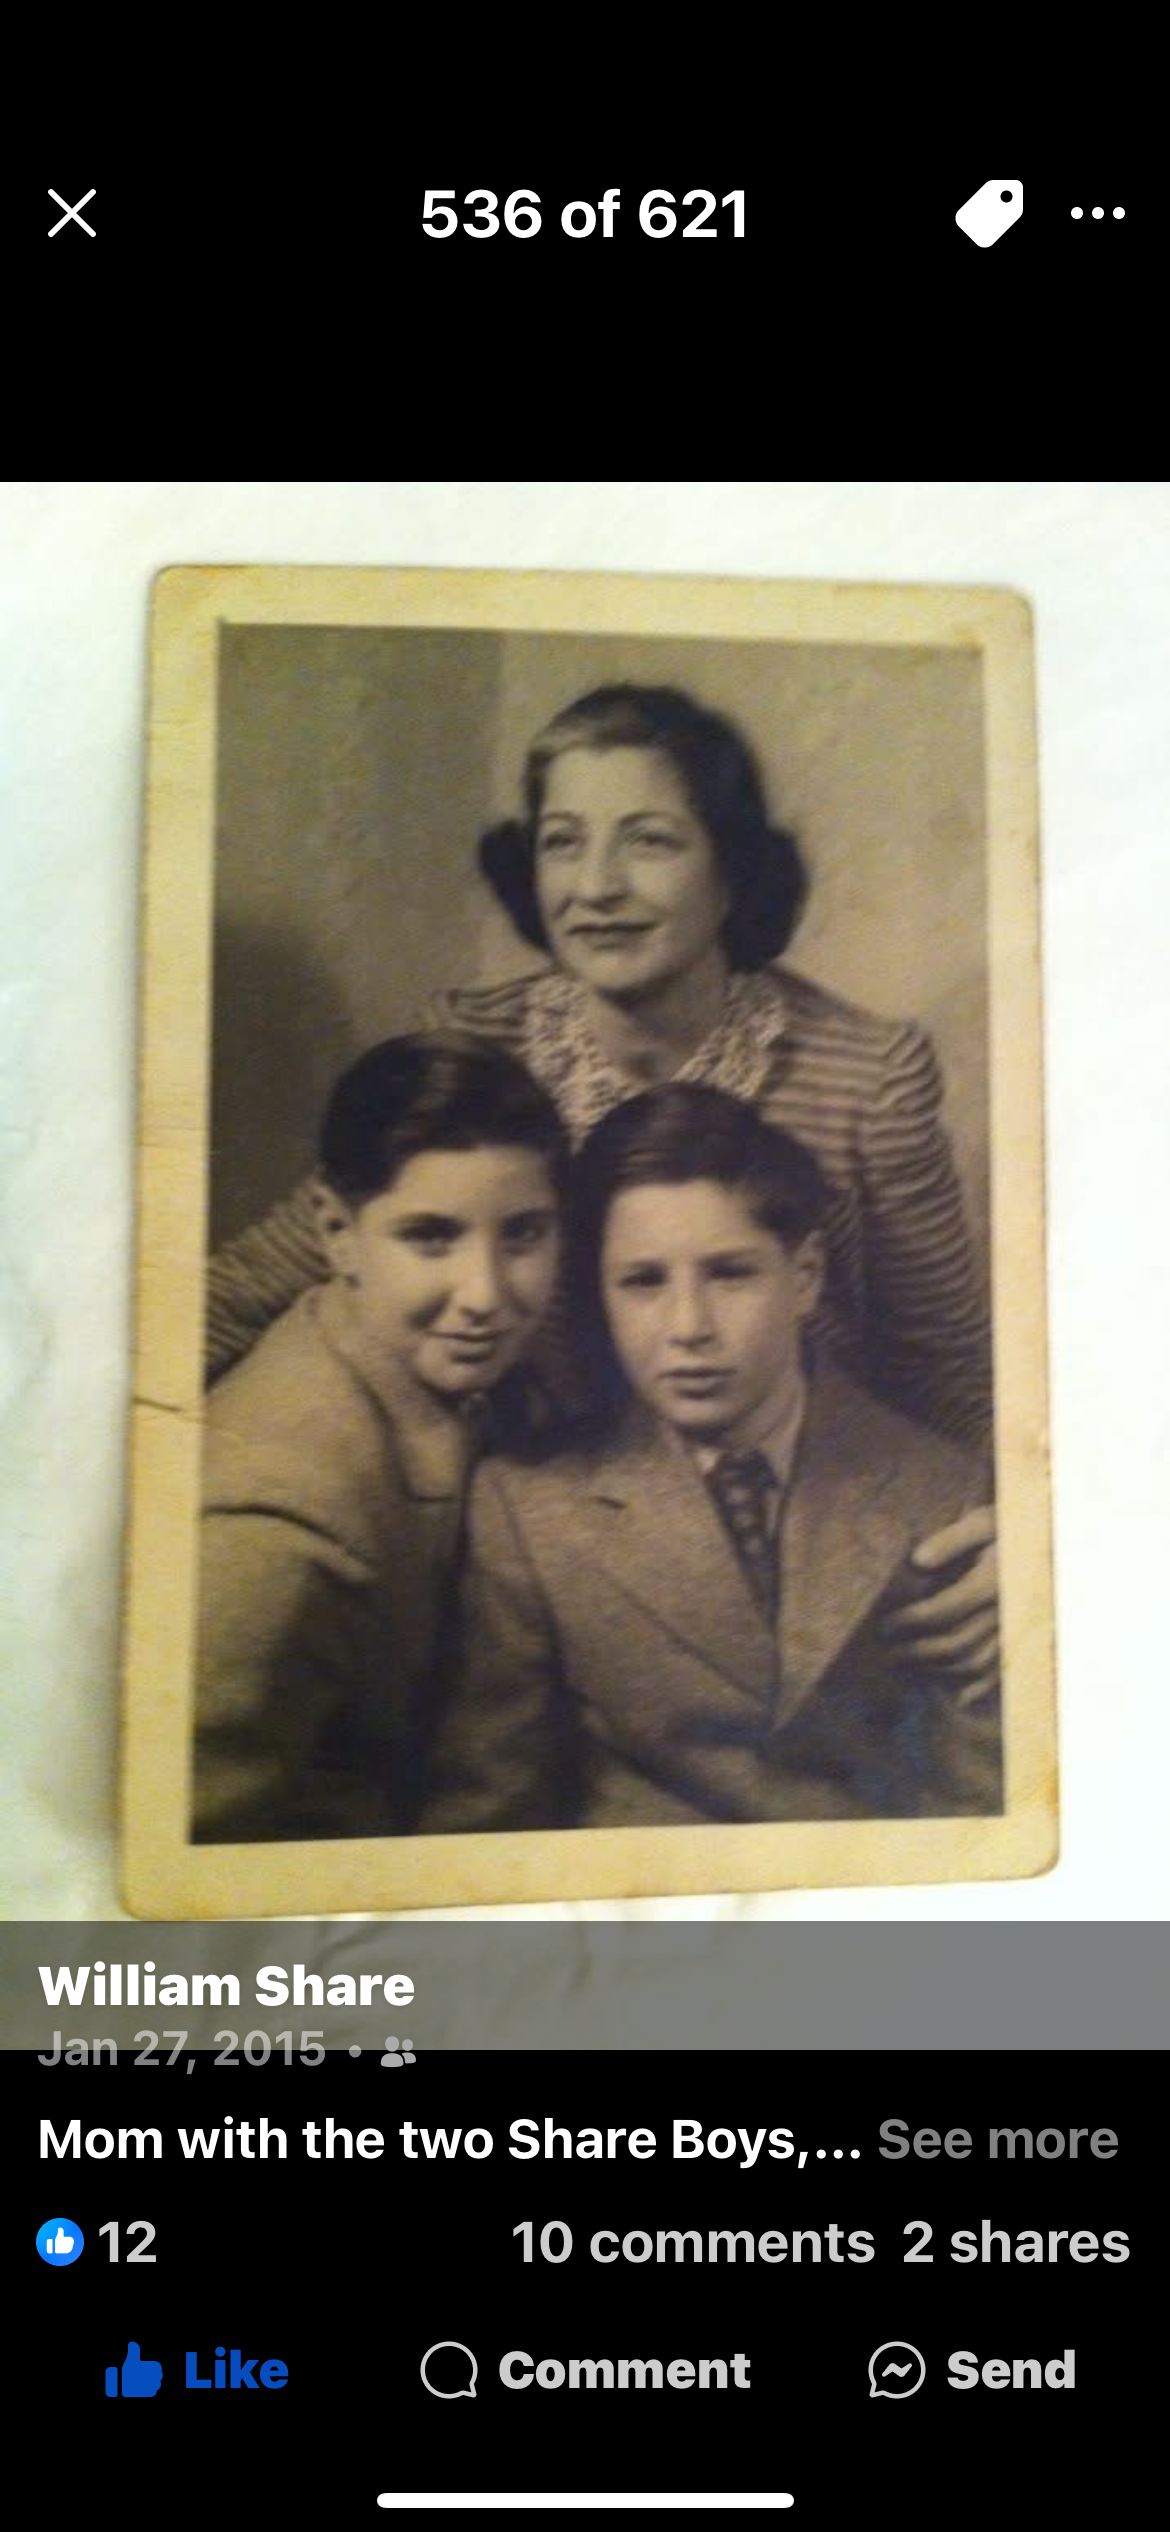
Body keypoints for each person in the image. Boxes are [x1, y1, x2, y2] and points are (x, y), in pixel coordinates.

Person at [204, 682, 996, 1689]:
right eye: (562, 842)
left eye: (651, 841)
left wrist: (1013, 1532)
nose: (597, 886)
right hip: (525, 1540)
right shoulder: (477, 1040)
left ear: (733, 870)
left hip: (773, 1547)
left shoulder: (864, 1072)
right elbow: (262, 1277)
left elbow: (950, 1365)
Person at [421, 1087, 1001, 1834]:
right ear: (598, 1294)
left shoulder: (942, 1490)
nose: (688, 1327)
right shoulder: (527, 1508)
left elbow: (979, 1806)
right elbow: (487, 1820)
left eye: (730, 1273)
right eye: (643, 1282)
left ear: (806, 1277)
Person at [192, 1035, 565, 1843]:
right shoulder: (282, 1525)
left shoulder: (454, 1380)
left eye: (525, 1235)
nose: (486, 1294)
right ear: (335, 1231)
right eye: (431, 1237)